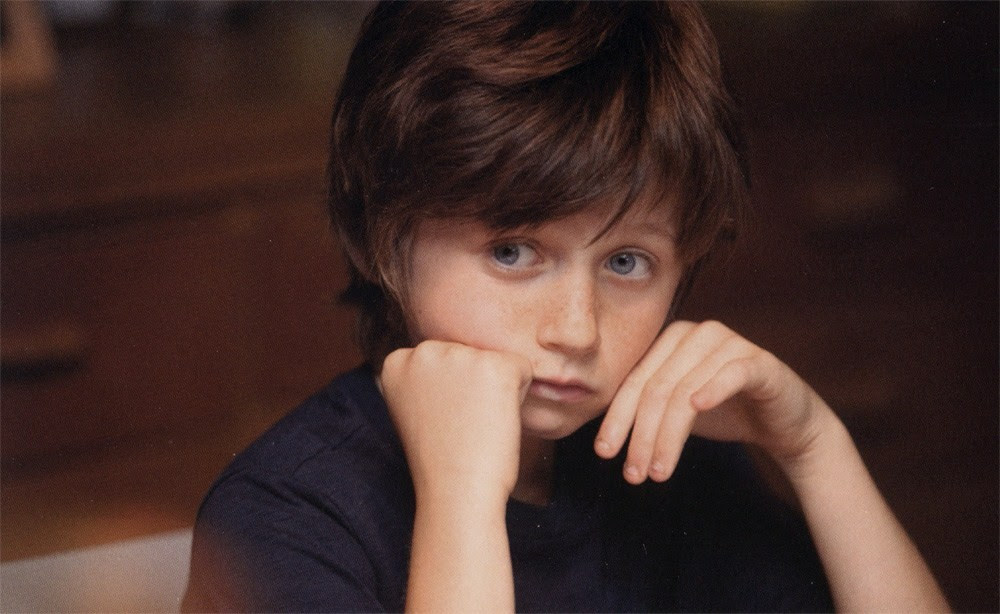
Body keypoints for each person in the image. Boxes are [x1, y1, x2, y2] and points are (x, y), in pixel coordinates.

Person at [183, 2, 949, 611]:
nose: (576, 330)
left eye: (626, 263)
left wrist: (816, 450)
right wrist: (462, 504)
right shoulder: (283, 516)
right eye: (513, 252)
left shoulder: (665, 454)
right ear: (381, 234)